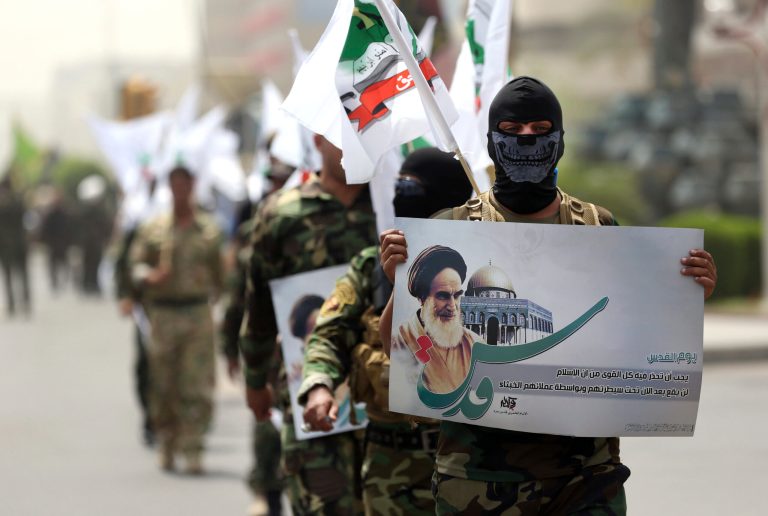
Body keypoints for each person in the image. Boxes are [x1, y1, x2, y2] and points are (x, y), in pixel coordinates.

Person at [379, 76, 718, 515]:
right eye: (512, 131)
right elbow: (402, 352)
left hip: (584, 479)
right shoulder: (453, 230)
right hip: (478, 482)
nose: (526, 140)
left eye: (540, 130)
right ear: (490, 141)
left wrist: (687, 294)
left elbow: (636, 330)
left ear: (559, 141)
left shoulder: (596, 228)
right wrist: (398, 288)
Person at [299, 147, 473, 515]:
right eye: (401, 187)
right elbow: (329, 334)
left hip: (464, 461)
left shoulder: (474, 269)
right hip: (390, 464)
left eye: (416, 189)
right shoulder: (369, 267)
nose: (404, 196)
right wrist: (318, 385)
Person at [240, 134, 377, 515]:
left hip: (383, 400)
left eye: (361, 132)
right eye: (340, 134)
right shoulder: (282, 213)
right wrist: (255, 380)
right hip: (311, 395)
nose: (352, 143)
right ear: (318, 139)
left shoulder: (393, 203)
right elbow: (260, 307)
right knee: (320, 504)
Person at [130, 166, 224, 474]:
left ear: (193, 186)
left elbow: (223, 274)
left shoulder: (208, 231)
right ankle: (167, 441)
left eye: (186, 184)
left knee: (195, 383)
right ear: (169, 188)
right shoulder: (154, 229)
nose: (180, 190)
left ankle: (193, 446)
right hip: (164, 314)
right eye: (175, 185)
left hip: (197, 312)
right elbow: (135, 266)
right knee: (163, 382)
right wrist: (150, 276)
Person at [220, 160, 293, 516]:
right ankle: (268, 492)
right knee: (267, 428)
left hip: (307, 344)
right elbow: (243, 297)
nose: (277, 186)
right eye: (273, 180)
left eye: (284, 179)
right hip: (271, 344)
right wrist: (234, 350)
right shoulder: (257, 228)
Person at [392, 245, 481, 394]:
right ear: (422, 298)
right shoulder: (398, 341)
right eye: (443, 296)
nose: (452, 306)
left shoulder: (475, 344)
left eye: (457, 295)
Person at [0, 176, 31, 318]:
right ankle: (24, 302)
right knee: (20, 274)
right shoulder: (18, 200)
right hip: (17, 243)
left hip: (8, 245)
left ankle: (16, 303)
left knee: (12, 275)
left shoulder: (10, 202)